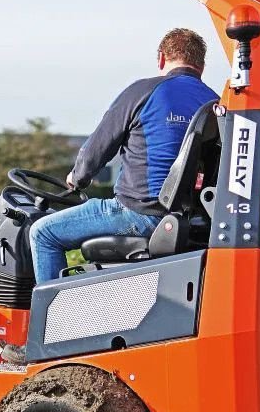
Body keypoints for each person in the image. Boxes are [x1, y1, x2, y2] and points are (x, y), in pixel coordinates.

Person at [28, 28, 219, 284]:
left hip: (140, 213)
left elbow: (97, 149)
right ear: (202, 66)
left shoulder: (144, 91)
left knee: (42, 233)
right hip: (192, 218)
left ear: (162, 58)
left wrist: (78, 177)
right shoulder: (216, 103)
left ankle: (51, 319)